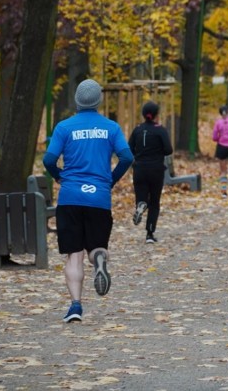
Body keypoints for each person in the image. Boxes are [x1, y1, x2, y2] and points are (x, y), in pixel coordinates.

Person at [42, 78, 134, 323]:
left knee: (74, 254)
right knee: (96, 247)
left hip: (70, 196)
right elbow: (126, 157)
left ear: (76, 100)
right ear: (99, 101)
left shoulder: (64, 127)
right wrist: (110, 180)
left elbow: (48, 160)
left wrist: (59, 177)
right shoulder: (111, 127)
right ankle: (100, 259)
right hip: (99, 198)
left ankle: (75, 306)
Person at [129, 101, 173, 244]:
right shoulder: (160, 130)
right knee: (154, 202)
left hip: (140, 169)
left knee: (141, 196)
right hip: (156, 170)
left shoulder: (137, 129)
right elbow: (168, 150)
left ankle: (141, 205)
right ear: (156, 115)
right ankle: (149, 233)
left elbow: (129, 148)